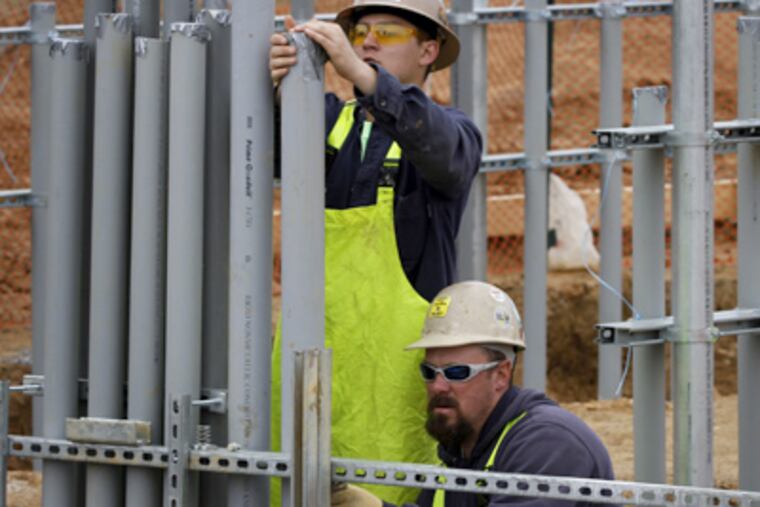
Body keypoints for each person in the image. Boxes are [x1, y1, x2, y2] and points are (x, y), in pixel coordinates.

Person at [269, 0, 483, 504]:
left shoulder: (452, 135)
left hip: (394, 387)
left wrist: (361, 77)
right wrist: (279, 79)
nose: (367, 41)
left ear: (429, 50)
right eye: (360, 31)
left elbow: (439, 149)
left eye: (387, 32)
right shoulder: (325, 125)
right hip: (310, 366)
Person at [331, 281, 617, 506]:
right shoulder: (460, 452)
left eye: (457, 372)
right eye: (429, 372)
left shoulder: (548, 443)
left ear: (501, 375)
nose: (438, 386)